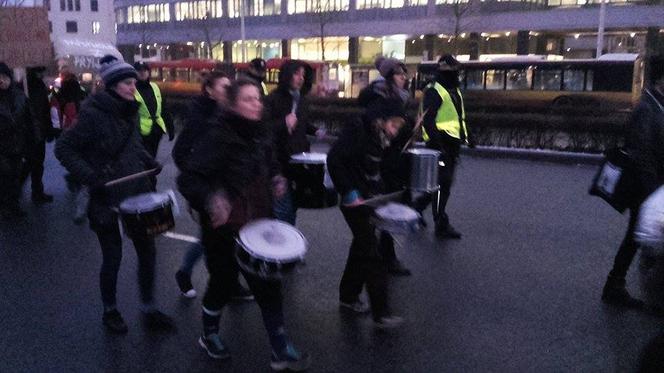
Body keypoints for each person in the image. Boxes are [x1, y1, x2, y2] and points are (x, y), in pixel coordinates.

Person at [177, 78, 311, 371]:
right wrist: (212, 199)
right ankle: (209, 334)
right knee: (222, 284)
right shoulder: (217, 135)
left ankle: (280, 348)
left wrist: (276, 177)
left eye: (258, 98)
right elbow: (188, 179)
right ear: (232, 104)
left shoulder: (262, 133)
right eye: (248, 99)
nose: (256, 104)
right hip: (225, 228)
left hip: (260, 223)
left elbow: (271, 162)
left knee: (269, 287)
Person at [55, 55, 174, 334]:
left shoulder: (129, 108)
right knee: (112, 257)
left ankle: (149, 308)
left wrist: (149, 161)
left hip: (137, 193)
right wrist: (90, 177)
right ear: (111, 85)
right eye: (127, 82)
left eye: (134, 81)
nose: (133, 87)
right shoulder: (93, 114)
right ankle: (110, 310)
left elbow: (133, 144)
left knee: (148, 252)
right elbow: (64, 149)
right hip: (105, 195)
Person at [172, 70, 253, 301]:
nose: (230, 90)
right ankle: (193, 276)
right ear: (209, 90)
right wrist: (198, 176)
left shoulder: (229, 114)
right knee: (213, 238)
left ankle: (227, 284)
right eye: (224, 86)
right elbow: (180, 153)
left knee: (226, 236)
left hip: (229, 185)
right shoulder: (199, 118)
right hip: (208, 189)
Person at [327, 97, 407, 328]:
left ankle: (348, 296)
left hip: (370, 198)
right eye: (394, 125)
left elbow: (378, 167)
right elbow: (335, 159)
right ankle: (381, 313)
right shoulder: (359, 129)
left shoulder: (380, 136)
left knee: (362, 246)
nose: (395, 131)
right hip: (354, 200)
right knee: (372, 253)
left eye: (398, 127)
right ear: (381, 120)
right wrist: (349, 192)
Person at [601, 57, 664, 309]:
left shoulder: (658, 105)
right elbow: (643, 153)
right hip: (646, 186)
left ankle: (618, 284)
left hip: (654, 185)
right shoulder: (647, 108)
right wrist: (653, 194)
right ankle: (620, 285)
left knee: (641, 236)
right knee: (640, 236)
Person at [358, 57, 413, 276]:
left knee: (390, 204)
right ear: (389, 77)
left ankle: (381, 253)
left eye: (404, 74)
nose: (404, 78)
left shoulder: (396, 97)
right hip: (384, 163)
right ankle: (384, 257)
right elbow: (380, 132)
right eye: (400, 75)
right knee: (386, 206)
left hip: (393, 161)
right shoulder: (381, 99)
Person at [420, 54, 470, 239]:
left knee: (441, 184)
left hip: (451, 145)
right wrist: (438, 147)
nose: (457, 74)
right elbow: (428, 120)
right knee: (443, 184)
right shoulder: (436, 90)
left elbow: (458, 117)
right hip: (440, 146)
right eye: (454, 70)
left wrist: (467, 136)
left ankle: (418, 206)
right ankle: (440, 222)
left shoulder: (453, 90)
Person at [264, 60, 316, 225]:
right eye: (296, 73)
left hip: (299, 161)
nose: (300, 78)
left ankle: (284, 241)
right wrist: (283, 123)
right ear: (286, 75)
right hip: (279, 162)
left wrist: (317, 131)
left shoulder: (302, 100)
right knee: (282, 210)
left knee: (292, 208)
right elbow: (262, 130)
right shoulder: (273, 99)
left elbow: (303, 124)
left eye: (303, 75)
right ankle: (281, 245)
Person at [0, 62, 32, 218]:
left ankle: (13, 204)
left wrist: (33, 138)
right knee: (5, 176)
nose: (1, 80)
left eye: (4, 77)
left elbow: (29, 119)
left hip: (18, 145)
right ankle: (6, 205)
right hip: (2, 147)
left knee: (16, 176)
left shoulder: (20, 96)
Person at [25, 66, 55, 204]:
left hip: (38, 130)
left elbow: (45, 109)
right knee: (31, 163)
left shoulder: (38, 85)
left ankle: (37, 192)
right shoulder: (25, 86)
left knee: (36, 163)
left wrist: (48, 129)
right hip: (28, 130)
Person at [133, 61, 174, 160]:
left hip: (156, 129)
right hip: (140, 131)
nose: (143, 73)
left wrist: (170, 127)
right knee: (145, 159)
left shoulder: (155, 87)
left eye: (145, 70)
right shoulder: (132, 89)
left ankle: (150, 174)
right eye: (139, 71)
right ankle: (149, 175)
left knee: (152, 156)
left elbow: (163, 109)